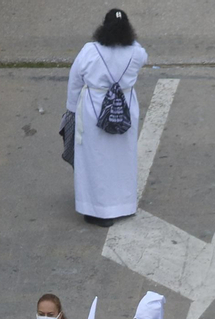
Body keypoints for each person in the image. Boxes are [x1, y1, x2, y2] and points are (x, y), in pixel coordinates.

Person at [66, 9, 145, 226]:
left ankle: (97, 210)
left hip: (94, 108)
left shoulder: (89, 51)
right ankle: (123, 204)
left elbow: (75, 80)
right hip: (125, 108)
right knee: (122, 157)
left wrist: (71, 110)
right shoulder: (137, 52)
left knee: (95, 159)